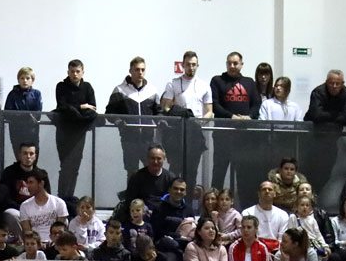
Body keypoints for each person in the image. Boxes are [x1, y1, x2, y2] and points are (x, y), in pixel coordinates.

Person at [209, 52, 263, 194]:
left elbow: (257, 104)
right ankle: (213, 203)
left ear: (241, 64)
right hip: (222, 135)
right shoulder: (217, 81)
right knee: (219, 171)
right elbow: (215, 104)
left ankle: (244, 204)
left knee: (243, 173)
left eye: (235, 63)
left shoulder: (249, 82)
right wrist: (231, 116)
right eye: (229, 63)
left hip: (244, 137)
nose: (232, 66)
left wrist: (249, 117)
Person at [159, 51, 211, 192]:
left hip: (195, 134)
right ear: (182, 65)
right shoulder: (173, 84)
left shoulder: (204, 86)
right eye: (188, 64)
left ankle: (188, 203)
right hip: (177, 133)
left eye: (194, 64)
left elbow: (209, 111)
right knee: (174, 170)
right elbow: (166, 107)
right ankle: (170, 200)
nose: (191, 67)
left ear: (197, 65)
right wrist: (179, 112)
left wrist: (200, 122)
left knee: (192, 173)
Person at [107, 56, 161, 183]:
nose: (140, 72)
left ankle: (148, 195)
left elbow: (158, 112)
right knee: (132, 172)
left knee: (151, 170)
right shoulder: (120, 90)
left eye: (143, 69)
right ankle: (132, 196)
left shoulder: (152, 90)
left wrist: (161, 121)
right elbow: (109, 113)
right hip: (129, 139)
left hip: (147, 139)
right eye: (137, 69)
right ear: (130, 71)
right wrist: (119, 122)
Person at [53, 59, 97, 199]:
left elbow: (93, 108)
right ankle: (62, 196)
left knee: (75, 166)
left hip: (79, 133)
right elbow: (62, 107)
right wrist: (81, 107)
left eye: (78, 71)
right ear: (68, 72)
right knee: (65, 165)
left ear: (83, 72)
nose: (75, 74)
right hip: (64, 132)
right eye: (72, 71)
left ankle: (69, 195)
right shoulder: (61, 86)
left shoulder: (87, 87)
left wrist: (75, 111)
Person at [124, 144, 175, 214]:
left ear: (164, 159)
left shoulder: (170, 178)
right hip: (142, 215)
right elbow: (130, 201)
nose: (155, 162)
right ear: (147, 159)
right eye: (152, 158)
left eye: (159, 158)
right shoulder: (137, 177)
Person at [3, 66, 42, 156]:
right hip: (16, 131)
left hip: (32, 131)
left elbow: (38, 113)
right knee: (19, 156)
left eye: (27, 78)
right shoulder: (12, 94)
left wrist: (26, 117)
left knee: (32, 156)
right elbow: (7, 113)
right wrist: (24, 117)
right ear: (18, 80)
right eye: (22, 78)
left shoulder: (36, 94)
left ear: (32, 80)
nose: (25, 81)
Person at [241, 180, 290, 252]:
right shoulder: (247, 213)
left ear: (274, 194)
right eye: (264, 189)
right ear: (259, 194)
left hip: (276, 252)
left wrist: (275, 252)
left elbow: (282, 239)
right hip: (253, 250)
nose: (267, 191)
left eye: (270, 189)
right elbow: (246, 238)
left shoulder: (283, 215)